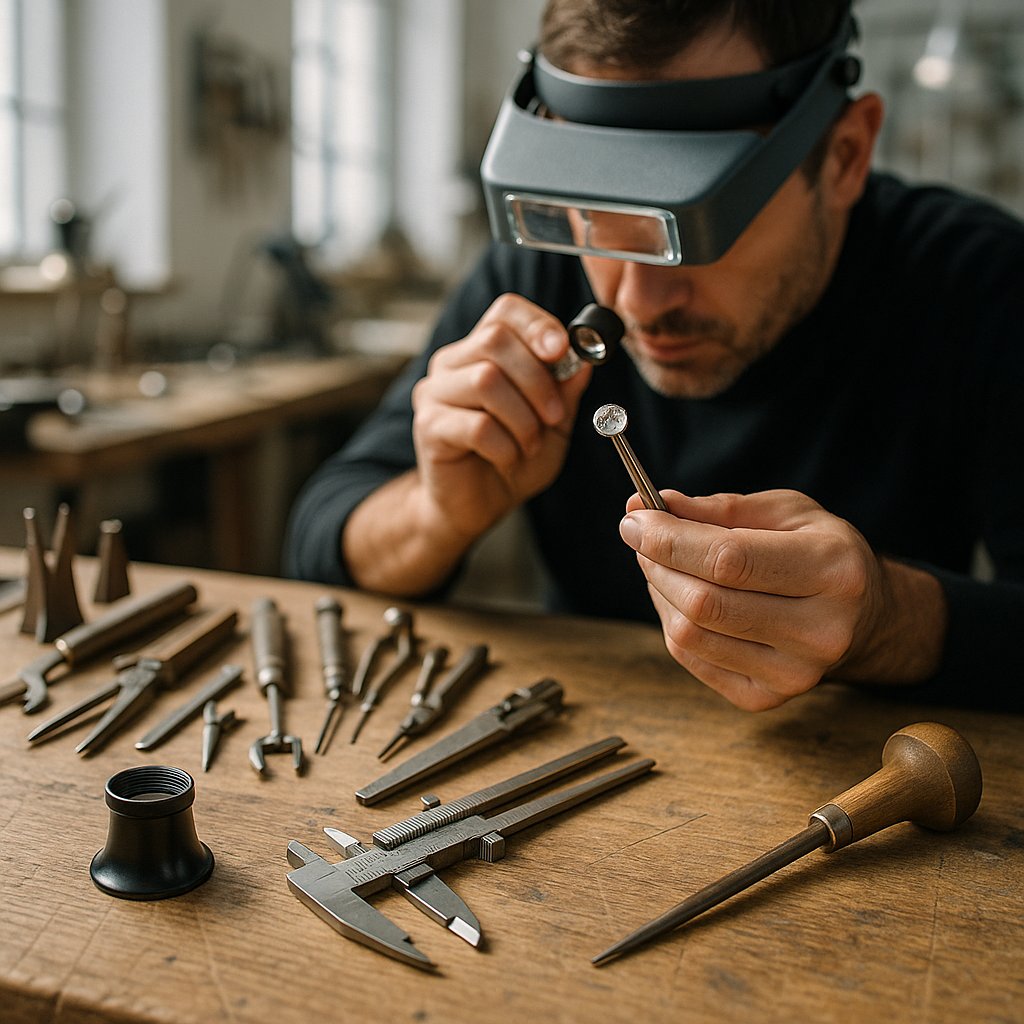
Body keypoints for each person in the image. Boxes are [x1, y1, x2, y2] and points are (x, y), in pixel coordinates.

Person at [285, 0, 1024, 713]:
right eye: (595, 218)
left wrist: (888, 620)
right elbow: (320, 534)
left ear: (844, 156)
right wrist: (434, 512)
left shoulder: (981, 283)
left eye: (696, 225)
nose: (637, 299)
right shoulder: (538, 277)